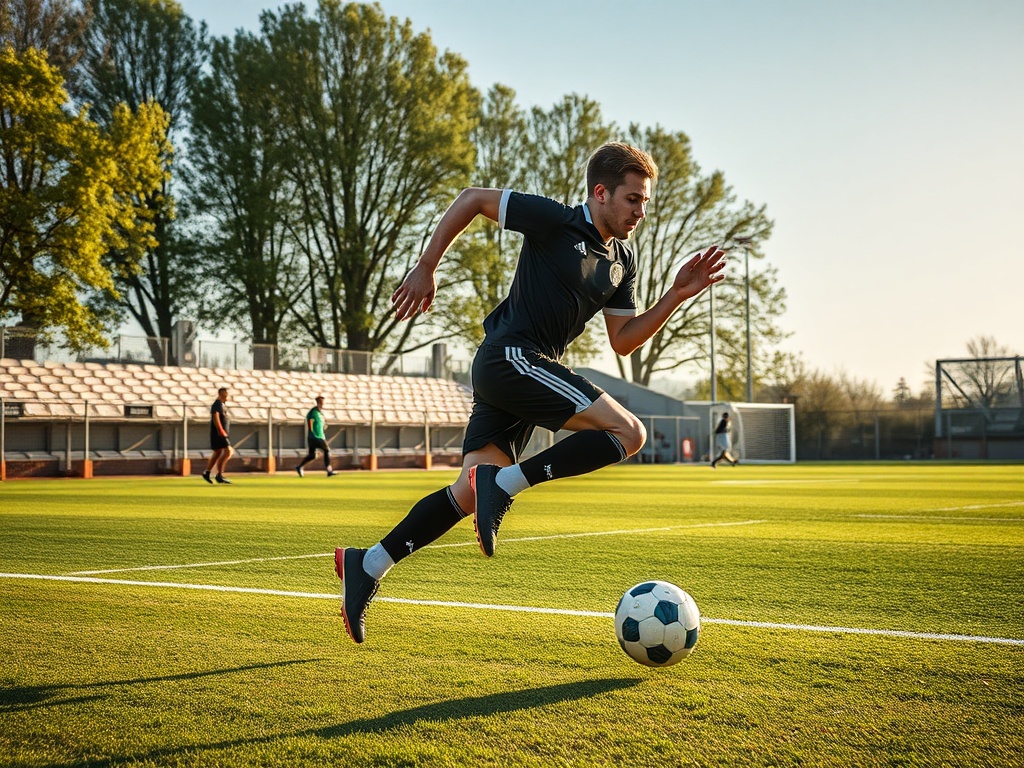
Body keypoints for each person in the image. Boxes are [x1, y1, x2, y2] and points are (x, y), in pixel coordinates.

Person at [335, 142, 727, 643]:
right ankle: (505, 484)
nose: (640, 212)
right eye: (632, 199)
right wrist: (426, 266)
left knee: (467, 493)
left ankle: (367, 564)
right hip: (512, 358)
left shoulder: (622, 262)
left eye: (645, 202)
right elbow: (472, 199)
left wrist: (675, 295)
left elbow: (624, 340)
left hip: (522, 375)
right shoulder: (556, 221)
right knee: (629, 433)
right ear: (601, 193)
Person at [296, 396, 335, 477]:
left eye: (323, 403)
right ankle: (329, 470)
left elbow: (321, 424)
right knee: (327, 450)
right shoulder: (313, 412)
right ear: (318, 403)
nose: (322, 404)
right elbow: (309, 420)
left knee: (312, 455)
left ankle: (299, 467)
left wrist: (323, 426)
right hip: (315, 436)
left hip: (319, 436)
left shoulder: (321, 414)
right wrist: (311, 431)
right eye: (320, 403)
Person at [203, 387, 233, 484]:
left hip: (221, 432)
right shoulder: (217, 404)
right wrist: (220, 430)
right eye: (225, 395)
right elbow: (215, 416)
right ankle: (219, 474)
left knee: (218, 452)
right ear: (221, 394)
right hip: (219, 433)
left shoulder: (222, 404)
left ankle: (207, 472)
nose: (227, 397)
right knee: (228, 451)